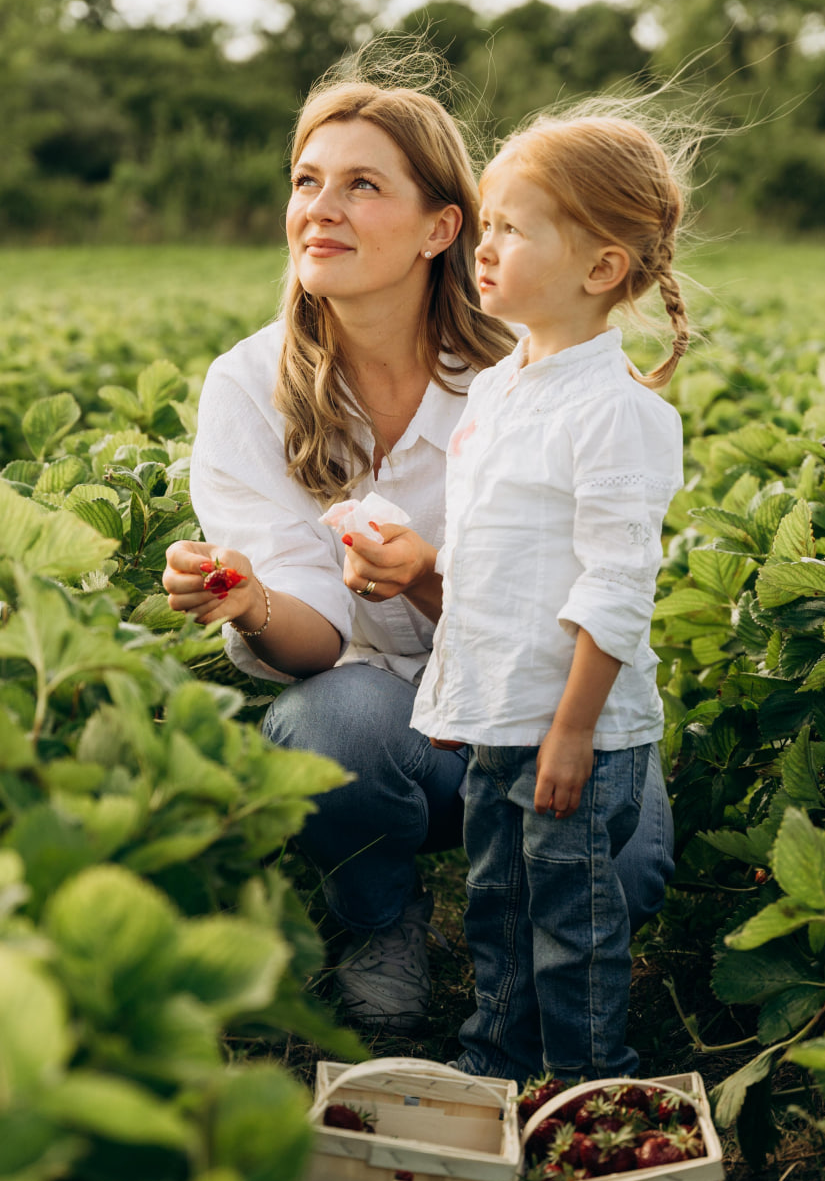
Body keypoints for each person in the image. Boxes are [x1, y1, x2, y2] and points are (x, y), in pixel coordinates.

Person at [162, 59, 675, 1036]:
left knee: (629, 872)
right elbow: (313, 645)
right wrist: (249, 599)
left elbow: (593, 612)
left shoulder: (537, 376)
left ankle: (527, 944)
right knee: (335, 723)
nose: (321, 207)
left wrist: (439, 582)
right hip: (390, 723)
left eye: (363, 185)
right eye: (307, 180)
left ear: (443, 227)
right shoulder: (246, 387)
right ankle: (381, 913)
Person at [404, 105, 689, 1084]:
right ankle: (496, 1067)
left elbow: (615, 582)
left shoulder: (620, 414)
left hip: (578, 730)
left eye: (512, 229)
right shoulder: (494, 390)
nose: (484, 247)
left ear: (600, 267)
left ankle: (586, 1089)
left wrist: (570, 728)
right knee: (498, 903)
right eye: (485, 224)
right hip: (500, 717)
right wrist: (456, 695)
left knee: (575, 923)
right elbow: (484, 563)